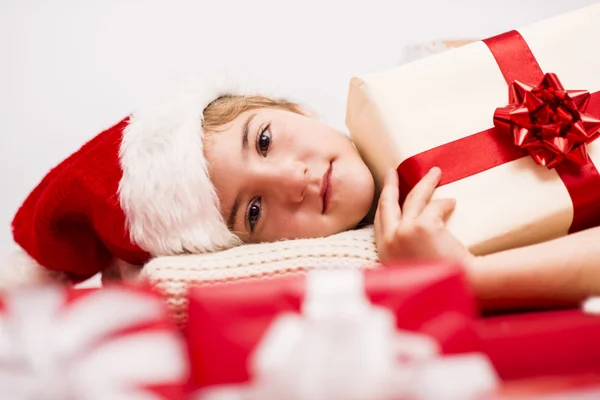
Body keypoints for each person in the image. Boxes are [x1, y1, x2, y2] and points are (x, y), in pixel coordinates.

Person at [4, 77, 600, 313]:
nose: (293, 179)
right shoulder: (368, 270)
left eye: (264, 139)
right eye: (255, 211)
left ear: (295, 108)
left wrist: (466, 280)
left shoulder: (440, 78)